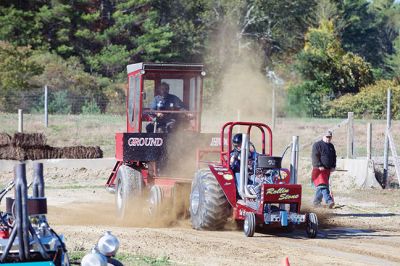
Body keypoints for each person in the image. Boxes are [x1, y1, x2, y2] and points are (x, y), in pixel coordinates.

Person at [311, 130, 336, 208]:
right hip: (319, 170)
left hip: (327, 170)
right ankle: (329, 201)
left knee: (321, 187)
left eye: (330, 137)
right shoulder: (317, 145)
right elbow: (314, 156)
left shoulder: (331, 146)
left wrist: (333, 166)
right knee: (323, 186)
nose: (328, 138)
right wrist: (319, 165)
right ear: (323, 136)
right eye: (327, 137)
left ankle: (316, 202)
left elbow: (334, 157)